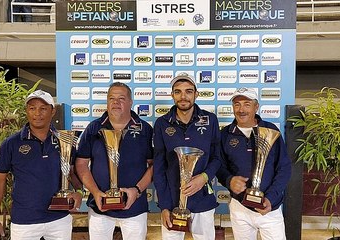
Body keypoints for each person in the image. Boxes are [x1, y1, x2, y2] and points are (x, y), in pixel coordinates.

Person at [0, 90, 83, 240]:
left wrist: (79, 192)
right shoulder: (11, 144)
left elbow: (73, 173)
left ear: (53, 111)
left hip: (59, 220)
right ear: (26, 111)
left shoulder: (65, 141)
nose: (37, 113)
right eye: (32, 108)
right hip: (24, 221)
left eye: (43, 108)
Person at [75, 82, 153, 240]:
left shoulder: (145, 129)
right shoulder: (93, 128)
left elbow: (154, 165)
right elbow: (81, 164)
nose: (116, 102)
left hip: (134, 207)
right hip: (100, 207)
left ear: (131, 102)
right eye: (112, 98)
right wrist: (96, 193)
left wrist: (136, 191)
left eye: (122, 98)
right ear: (107, 102)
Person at [216, 87, 291, 240]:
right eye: (237, 104)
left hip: (269, 208)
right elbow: (219, 167)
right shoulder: (224, 135)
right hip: (240, 207)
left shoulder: (270, 129)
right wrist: (229, 181)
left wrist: (270, 198)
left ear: (256, 107)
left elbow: (284, 167)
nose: (241, 109)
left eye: (247, 104)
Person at [153, 73, 221, 240]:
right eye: (178, 92)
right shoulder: (162, 123)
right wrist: (164, 206)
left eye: (188, 91)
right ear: (172, 95)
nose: (183, 96)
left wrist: (203, 178)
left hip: (202, 198)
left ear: (196, 94)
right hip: (172, 201)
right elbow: (159, 167)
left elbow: (217, 157)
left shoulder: (210, 120)